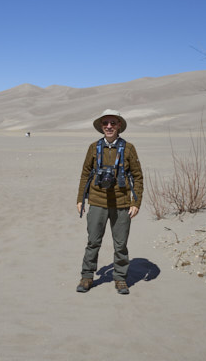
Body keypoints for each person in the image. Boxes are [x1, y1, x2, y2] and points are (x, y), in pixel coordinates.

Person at [76, 109, 143, 295]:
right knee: (93, 242)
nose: (109, 126)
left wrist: (136, 203)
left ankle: (120, 278)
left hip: (121, 204)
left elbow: (138, 177)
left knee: (120, 244)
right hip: (97, 202)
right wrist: (80, 198)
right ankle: (87, 276)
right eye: (105, 123)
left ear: (119, 125)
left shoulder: (128, 148)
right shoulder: (93, 148)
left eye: (113, 123)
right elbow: (85, 174)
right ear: (101, 126)